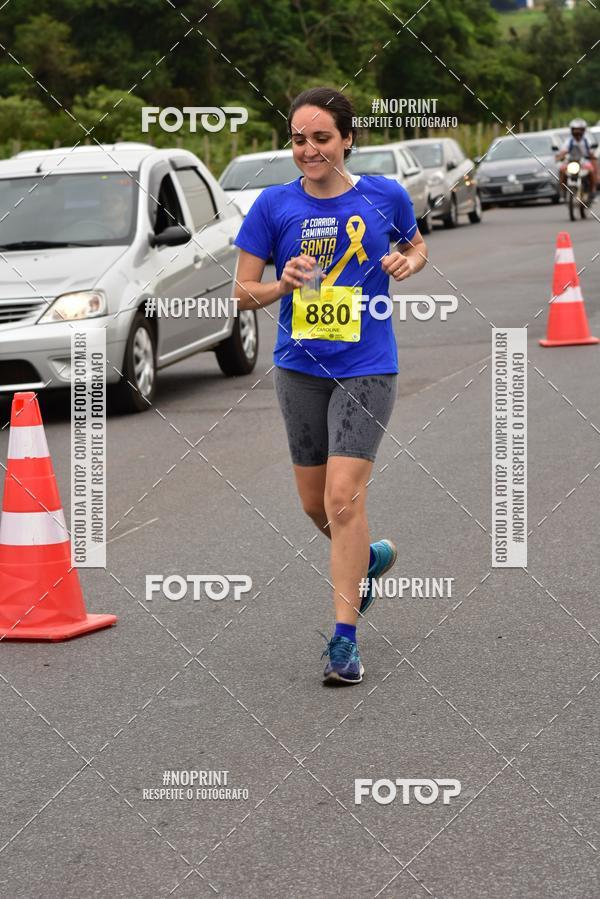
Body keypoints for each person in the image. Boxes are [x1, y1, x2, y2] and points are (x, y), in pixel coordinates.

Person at [233, 87, 428, 685]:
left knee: (344, 498)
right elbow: (243, 292)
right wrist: (283, 284)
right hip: (299, 368)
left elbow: (416, 245)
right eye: (299, 139)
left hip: (367, 365)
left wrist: (407, 262)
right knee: (316, 507)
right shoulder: (273, 205)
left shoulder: (384, 195)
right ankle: (366, 559)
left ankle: (343, 643)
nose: (309, 150)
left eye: (322, 138)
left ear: (347, 139)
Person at [556, 118, 597, 197]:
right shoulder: (569, 141)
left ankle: (592, 191)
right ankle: (562, 190)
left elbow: (590, 152)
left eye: (579, 130)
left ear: (583, 131)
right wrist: (560, 157)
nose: (577, 132)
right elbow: (564, 151)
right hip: (571, 162)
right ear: (572, 131)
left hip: (583, 163)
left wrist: (593, 157)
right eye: (575, 130)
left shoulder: (586, 140)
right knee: (562, 170)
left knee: (591, 171)